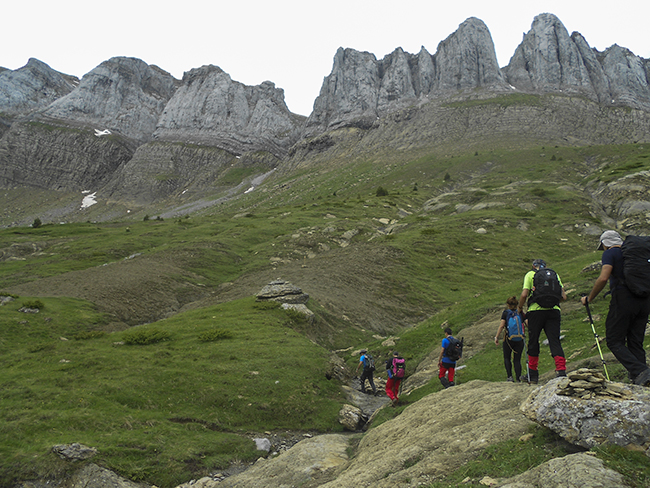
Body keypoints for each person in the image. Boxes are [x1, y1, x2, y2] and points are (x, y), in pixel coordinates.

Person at [580, 230, 650, 386]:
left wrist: (589, 298)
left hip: (624, 298)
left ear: (605, 244)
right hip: (644, 300)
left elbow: (604, 277)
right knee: (635, 342)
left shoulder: (611, 253)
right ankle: (642, 380)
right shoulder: (634, 254)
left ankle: (641, 371)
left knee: (614, 340)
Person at [518, 259, 567, 383]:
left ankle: (533, 375)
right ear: (546, 266)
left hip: (535, 311)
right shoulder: (555, 275)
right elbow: (563, 296)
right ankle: (561, 371)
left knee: (534, 341)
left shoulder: (530, 275)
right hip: (554, 311)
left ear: (533, 266)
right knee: (554, 340)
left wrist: (520, 308)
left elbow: (524, 294)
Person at [495, 296, 526, 382]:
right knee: (517, 359)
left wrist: (496, 337)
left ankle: (510, 377)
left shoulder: (506, 313)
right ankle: (518, 377)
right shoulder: (520, 313)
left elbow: (502, 326)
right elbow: (527, 323)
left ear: (508, 305)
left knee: (507, 357)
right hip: (520, 339)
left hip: (508, 339)